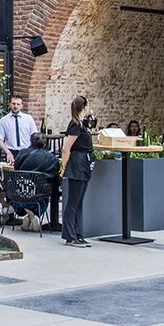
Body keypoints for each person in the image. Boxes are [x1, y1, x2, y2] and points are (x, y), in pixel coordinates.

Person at [60, 95, 94, 248]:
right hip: (77, 164)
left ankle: (78, 234)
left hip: (84, 163)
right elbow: (66, 148)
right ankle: (70, 236)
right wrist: (64, 167)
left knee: (79, 201)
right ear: (84, 107)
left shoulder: (82, 124)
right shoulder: (75, 125)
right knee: (73, 202)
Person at [0, 95, 39, 162]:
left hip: (27, 152)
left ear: (21, 106)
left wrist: (33, 150)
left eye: (18, 104)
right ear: (10, 104)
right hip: (11, 153)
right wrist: (8, 152)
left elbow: (35, 136)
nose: (15, 106)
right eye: (13, 104)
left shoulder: (28, 119)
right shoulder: (4, 120)